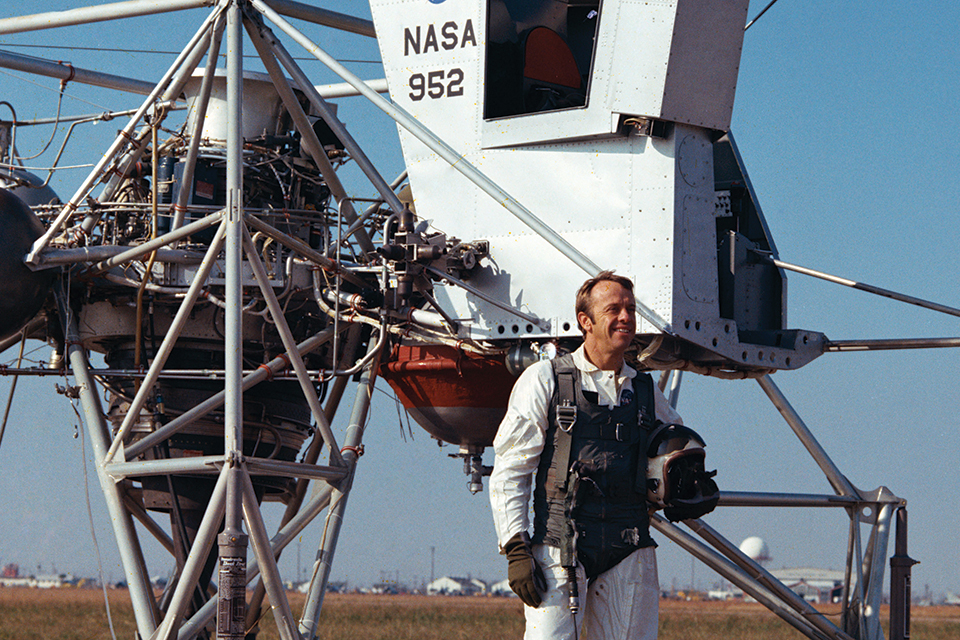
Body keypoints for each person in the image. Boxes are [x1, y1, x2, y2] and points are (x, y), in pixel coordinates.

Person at [489, 271, 682, 640]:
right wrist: (516, 547)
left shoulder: (644, 391)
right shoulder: (545, 379)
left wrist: (685, 486)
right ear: (586, 321)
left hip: (629, 548)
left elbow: (676, 448)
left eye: (630, 308)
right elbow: (512, 468)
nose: (625, 317)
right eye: (614, 309)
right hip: (561, 546)